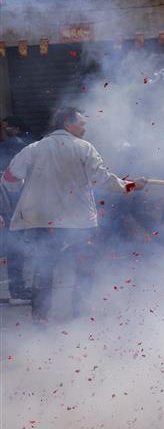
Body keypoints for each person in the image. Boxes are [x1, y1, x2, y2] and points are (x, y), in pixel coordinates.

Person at [2, 107, 146, 322]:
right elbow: (103, 180)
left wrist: (23, 190)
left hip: (41, 219)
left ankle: (40, 318)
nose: (85, 127)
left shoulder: (33, 148)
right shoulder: (84, 148)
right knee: (84, 267)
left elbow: (10, 178)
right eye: (82, 123)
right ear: (67, 125)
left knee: (45, 267)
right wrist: (132, 185)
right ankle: (80, 314)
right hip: (78, 220)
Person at [0, 116, 35, 301]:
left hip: (12, 204)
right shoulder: (17, 145)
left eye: (7, 127)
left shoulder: (14, 145)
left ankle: (17, 287)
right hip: (11, 205)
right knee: (16, 248)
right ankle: (17, 288)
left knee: (15, 248)